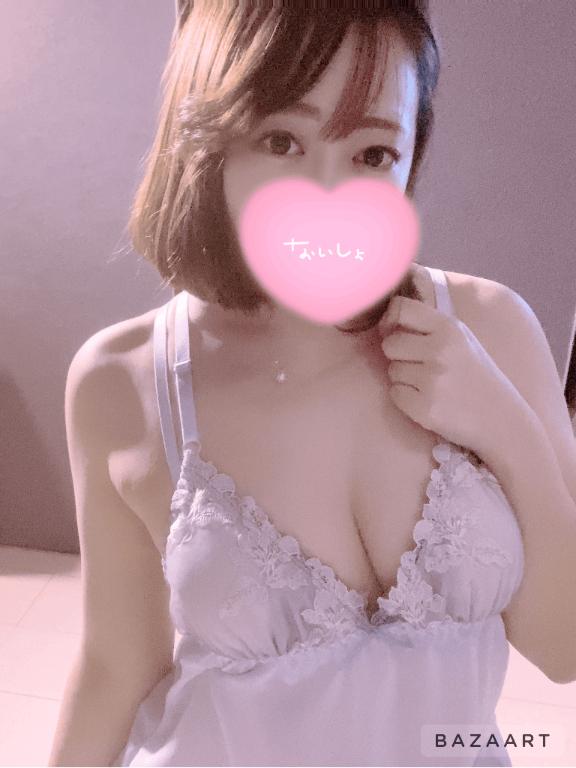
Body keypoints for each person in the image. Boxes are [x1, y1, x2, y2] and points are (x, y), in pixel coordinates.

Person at [50, 2, 527, 766]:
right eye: (281, 140)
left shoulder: (488, 331)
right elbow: (116, 664)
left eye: (372, 152)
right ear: (208, 141)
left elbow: (564, 640)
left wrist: (506, 424)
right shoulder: (122, 379)